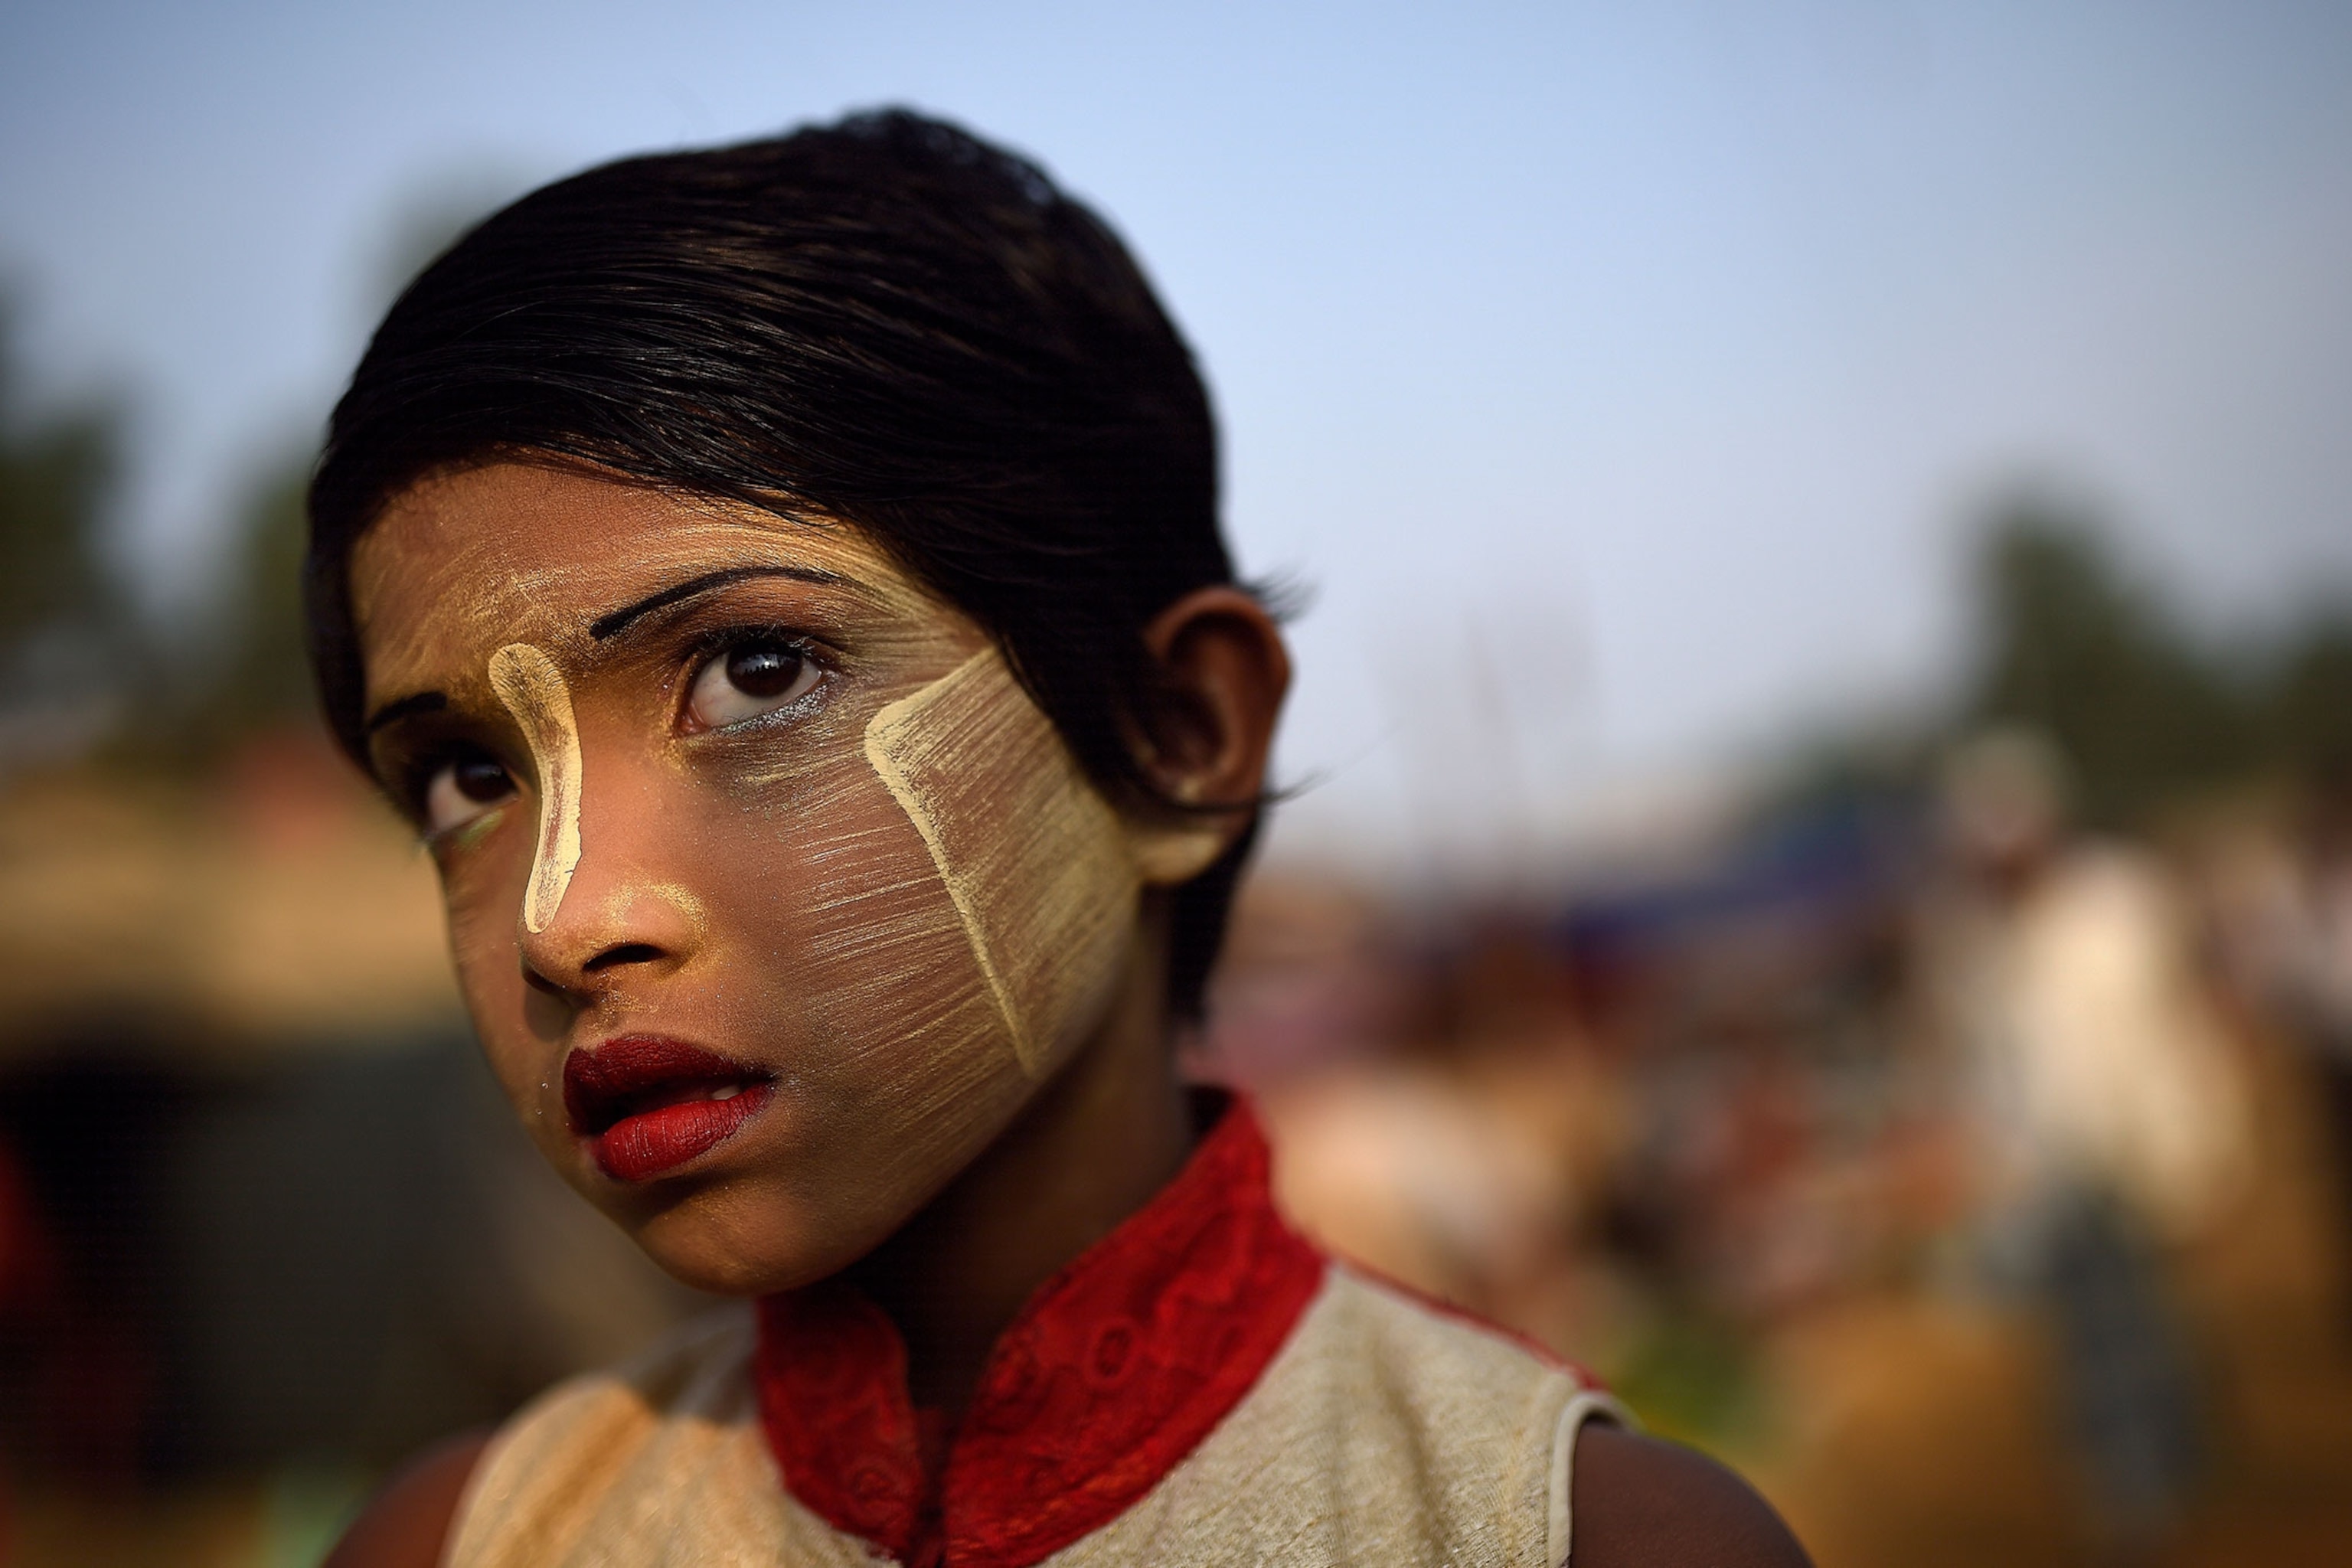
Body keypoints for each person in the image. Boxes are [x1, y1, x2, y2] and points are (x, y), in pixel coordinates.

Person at [310, 109, 1806, 1568]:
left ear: (1174, 739)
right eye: (462, 777)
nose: (565, 919)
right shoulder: (469, 1540)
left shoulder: (1566, 1535)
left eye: (757, 672)